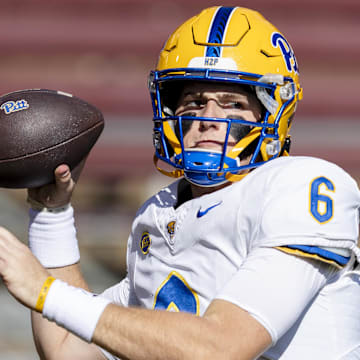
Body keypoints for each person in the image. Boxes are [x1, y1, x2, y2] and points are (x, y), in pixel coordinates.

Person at [0, 5, 359, 360]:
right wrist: (51, 215)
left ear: (272, 114)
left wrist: (46, 292)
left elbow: (219, 349)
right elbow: (70, 351)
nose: (209, 118)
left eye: (232, 103)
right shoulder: (158, 215)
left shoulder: (303, 186)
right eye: (194, 102)